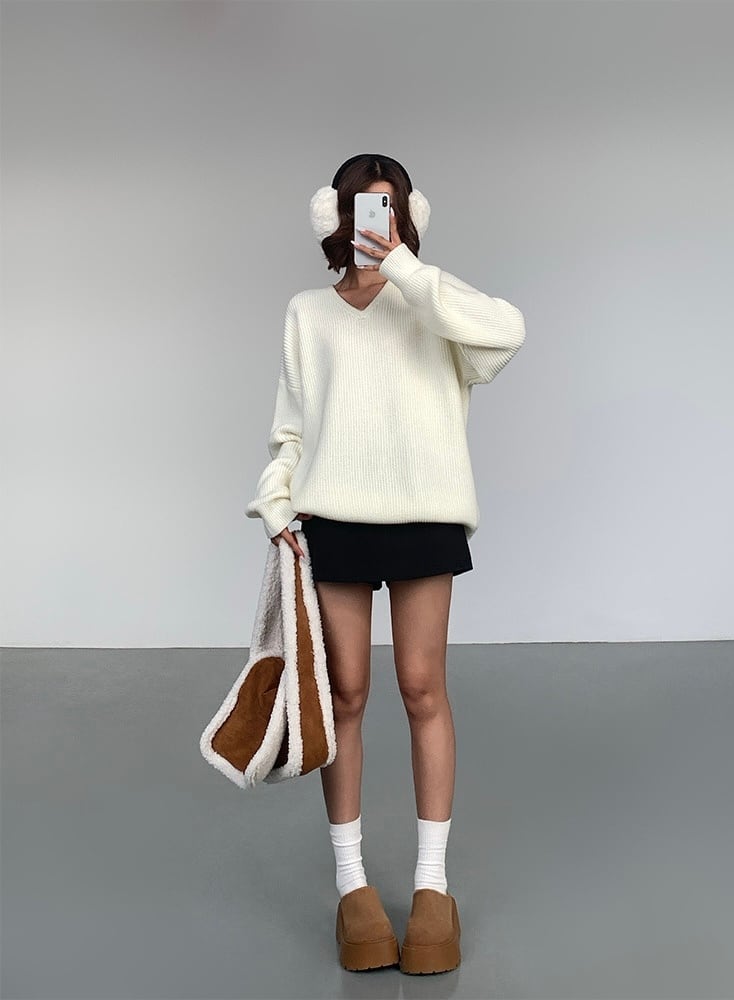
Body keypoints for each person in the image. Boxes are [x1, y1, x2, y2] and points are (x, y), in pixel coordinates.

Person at [245, 153, 526, 974]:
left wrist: (403, 267)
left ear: (408, 216)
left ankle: (433, 886)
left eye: (391, 207)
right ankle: (353, 886)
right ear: (334, 218)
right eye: (363, 208)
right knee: (345, 696)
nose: (377, 221)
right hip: (333, 515)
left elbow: (506, 331)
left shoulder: (431, 302)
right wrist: (276, 502)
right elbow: (291, 427)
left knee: (422, 687)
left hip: (424, 512)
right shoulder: (308, 312)